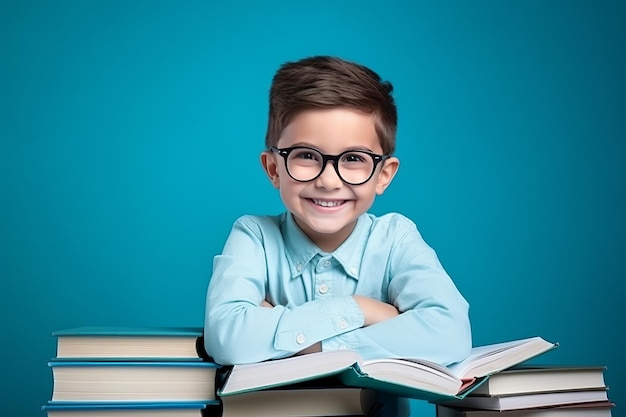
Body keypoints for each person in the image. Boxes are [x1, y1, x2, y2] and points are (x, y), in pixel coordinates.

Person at [204, 56, 471, 416]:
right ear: (273, 169)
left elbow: (450, 332)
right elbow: (228, 337)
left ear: (384, 175)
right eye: (305, 155)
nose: (329, 180)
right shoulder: (254, 236)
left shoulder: (395, 238)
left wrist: (296, 338)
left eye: (354, 159)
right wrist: (361, 310)